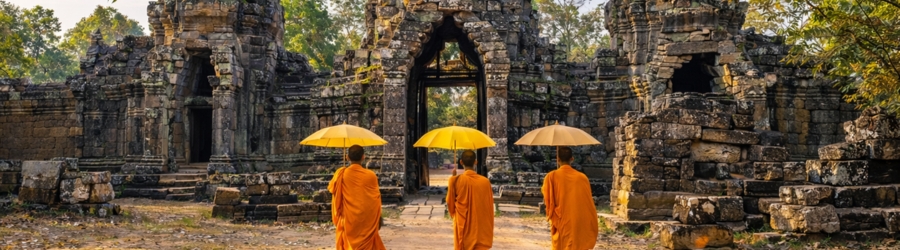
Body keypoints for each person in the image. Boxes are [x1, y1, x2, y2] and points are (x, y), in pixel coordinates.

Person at [328, 145, 386, 250]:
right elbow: (376, 200)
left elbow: (334, 194)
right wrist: (378, 218)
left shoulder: (341, 174)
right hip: (367, 221)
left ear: (347, 157)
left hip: (349, 220)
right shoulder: (371, 175)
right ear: (363, 157)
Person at [541, 146, 599, 249]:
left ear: (557, 159)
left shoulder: (551, 177)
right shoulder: (582, 178)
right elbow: (588, 203)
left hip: (561, 221)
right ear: (572, 159)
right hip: (579, 222)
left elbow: (547, 199)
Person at [446, 150, 494, 249]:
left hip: (463, 227)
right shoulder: (485, 182)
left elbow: (450, 205)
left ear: (461, 162)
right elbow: (489, 207)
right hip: (481, 229)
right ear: (476, 162)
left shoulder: (454, 180)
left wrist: (454, 178)